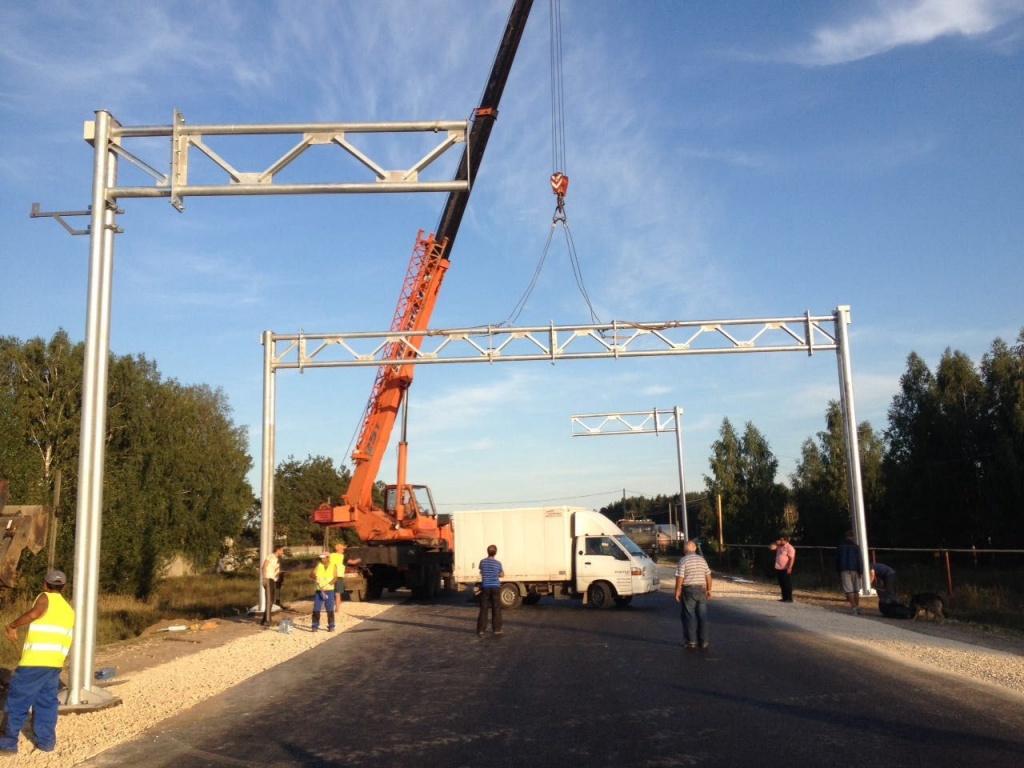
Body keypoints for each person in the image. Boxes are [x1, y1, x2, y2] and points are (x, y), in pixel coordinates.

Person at [1, 570, 76, 755]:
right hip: (54, 664)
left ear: (45, 585)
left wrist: (12, 625)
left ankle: (7, 744)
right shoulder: (68, 610)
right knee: (47, 702)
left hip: (34, 663)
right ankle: (46, 743)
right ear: (64, 587)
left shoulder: (45, 598)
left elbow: (34, 614)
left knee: (17, 701)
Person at [674, 540, 713, 650]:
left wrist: (677, 590)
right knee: (702, 616)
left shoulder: (683, 560)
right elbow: (709, 576)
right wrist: (709, 590)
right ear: (695, 549)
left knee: (689, 615)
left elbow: (680, 577)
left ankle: (691, 641)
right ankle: (704, 641)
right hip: (701, 589)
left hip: (689, 590)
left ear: (685, 549)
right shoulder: (702, 560)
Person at [476, 544, 504, 636]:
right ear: (495, 553)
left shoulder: (482, 562)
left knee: (484, 608)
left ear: (487, 552)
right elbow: (502, 574)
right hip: (495, 587)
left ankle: (481, 629)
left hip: (486, 587)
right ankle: (496, 629)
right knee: (496, 608)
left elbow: (481, 570)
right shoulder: (498, 563)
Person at [837, 530, 863, 614]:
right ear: (853, 537)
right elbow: (859, 560)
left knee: (849, 590)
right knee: (856, 590)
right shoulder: (856, 546)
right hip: (855, 568)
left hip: (844, 568)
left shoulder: (840, 546)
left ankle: (853, 607)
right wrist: (860, 571)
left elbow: (837, 559)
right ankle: (857, 607)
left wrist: (838, 570)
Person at [310, 552, 336, 632]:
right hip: (319, 590)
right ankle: (315, 626)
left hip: (329, 590)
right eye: (321, 558)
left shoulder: (333, 566)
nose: (322, 559)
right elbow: (311, 574)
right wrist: (315, 577)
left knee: (329, 608)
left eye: (324, 558)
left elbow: (335, 578)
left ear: (328, 558)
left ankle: (331, 626)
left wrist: (329, 585)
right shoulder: (319, 565)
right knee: (316, 608)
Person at [261, 545, 285, 625]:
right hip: (268, 579)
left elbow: (275, 572)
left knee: (271, 600)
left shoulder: (277, 560)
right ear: (277, 550)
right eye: (281, 550)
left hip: (272, 580)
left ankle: (265, 619)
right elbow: (264, 567)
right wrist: (264, 577)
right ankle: (267, 620)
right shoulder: (270, 557)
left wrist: (280, 573)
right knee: (269, 600)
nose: (282, 552)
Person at [769, 535, 796, 602]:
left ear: (786, 540)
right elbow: (771, 547)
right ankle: (784, 597)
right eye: (780, 540)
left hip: (785, 567)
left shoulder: (790, 548)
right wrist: (775, 543)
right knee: (781, 583)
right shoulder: (779, 546)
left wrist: (790, 567)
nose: (780, 541)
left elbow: (791, 558)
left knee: (786, 583)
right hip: (779, 567)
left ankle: (789, 598)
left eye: (781, 540)